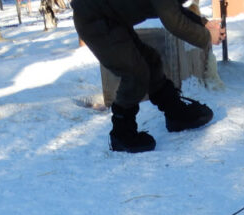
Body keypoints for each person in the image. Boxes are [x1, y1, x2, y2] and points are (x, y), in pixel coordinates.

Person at [72, 0, 226, 153]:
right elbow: (173, 20)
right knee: (135, 73)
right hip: (94, 20)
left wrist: (202, 23)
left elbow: (170, 7)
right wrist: (206, 36)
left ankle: (175, 113)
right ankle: (121, 132)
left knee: (150, 61)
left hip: (112, 18)